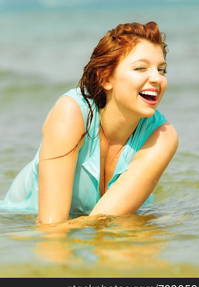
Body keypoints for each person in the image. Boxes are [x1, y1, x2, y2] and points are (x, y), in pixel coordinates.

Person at [1, 21, 179, 225]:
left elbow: (103, 218)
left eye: (162, 70)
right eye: (140, 68)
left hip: (90, 220)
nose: (157, 79)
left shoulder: (163, 136)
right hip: (22, 221)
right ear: (105, 78)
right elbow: (51, 227)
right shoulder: (71, 112)